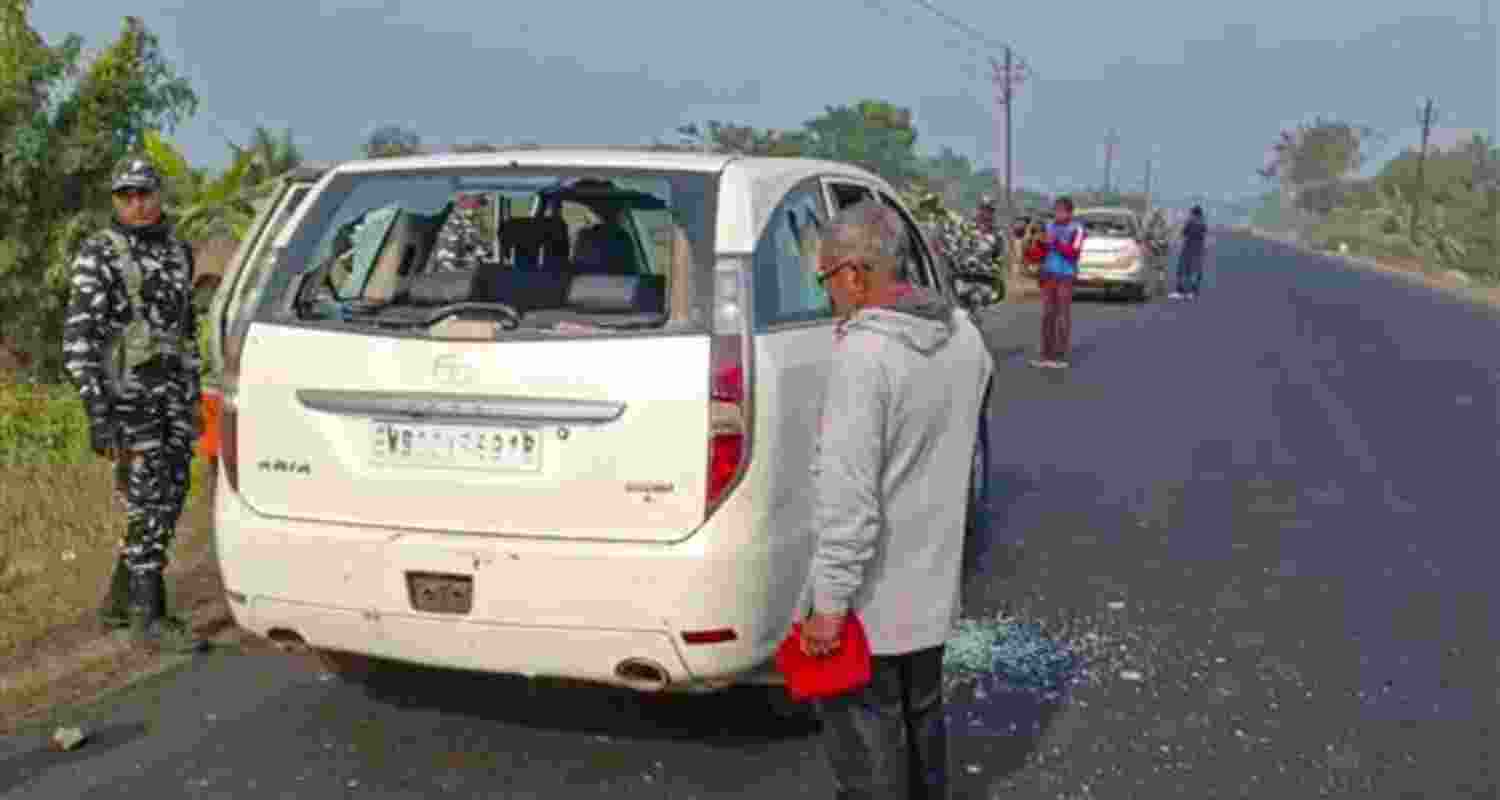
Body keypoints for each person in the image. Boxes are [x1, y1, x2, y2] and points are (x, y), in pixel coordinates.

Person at [801, 199, 994, 799]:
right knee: (924, 729)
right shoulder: (962, 336)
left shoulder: (866, 357)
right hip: (932, 596)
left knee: (869, 758)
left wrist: (828, 602)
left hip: (871, 608)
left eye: (825, 277)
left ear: (855, 274)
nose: (827, 291)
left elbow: (849, 499)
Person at [62, 158, 206, 653]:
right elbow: (80, 339)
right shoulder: (99, 254)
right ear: (115, 200)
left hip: (175, 397)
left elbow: (187, 332)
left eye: (143, 193)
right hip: (130, 399)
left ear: (158, 194)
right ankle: (150, 614)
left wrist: (195, 397)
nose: (135, 203)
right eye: (124, 195)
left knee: (171, 495)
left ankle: (118, 602)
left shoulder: (178, 252)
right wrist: (97, 414)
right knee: (147, 500)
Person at [1029, 196, 1085, 369]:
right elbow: (1040, 250)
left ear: (1070, 213)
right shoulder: (1048, 227)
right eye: (1056, 210)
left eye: (1062, 211)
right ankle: (1046, 354)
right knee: (1047, 314)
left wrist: (1055, 243)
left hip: (1066, 275)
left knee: (1062, 314)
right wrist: (1037, 244)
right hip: (1048, 274)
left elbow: (1074, 253)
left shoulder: (1077, 229)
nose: (1058, 214)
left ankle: (1061, 355)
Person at [431, 193, 493, 271]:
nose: (478, 207)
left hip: (454, 263)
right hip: (449, 264)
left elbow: (472, 243)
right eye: (479, 203)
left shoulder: (463, 219)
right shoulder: (458, 219)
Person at [1171, 205, 1208, 300]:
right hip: (1198, 250)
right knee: (1195, 271)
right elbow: (1203, 236)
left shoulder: (1190, 222)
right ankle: (1193, 292)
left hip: (1188, 249)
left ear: (1193, 213)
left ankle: (1181, 291)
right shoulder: (1203, 223)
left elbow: (1183, 233)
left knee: (1183, 270)